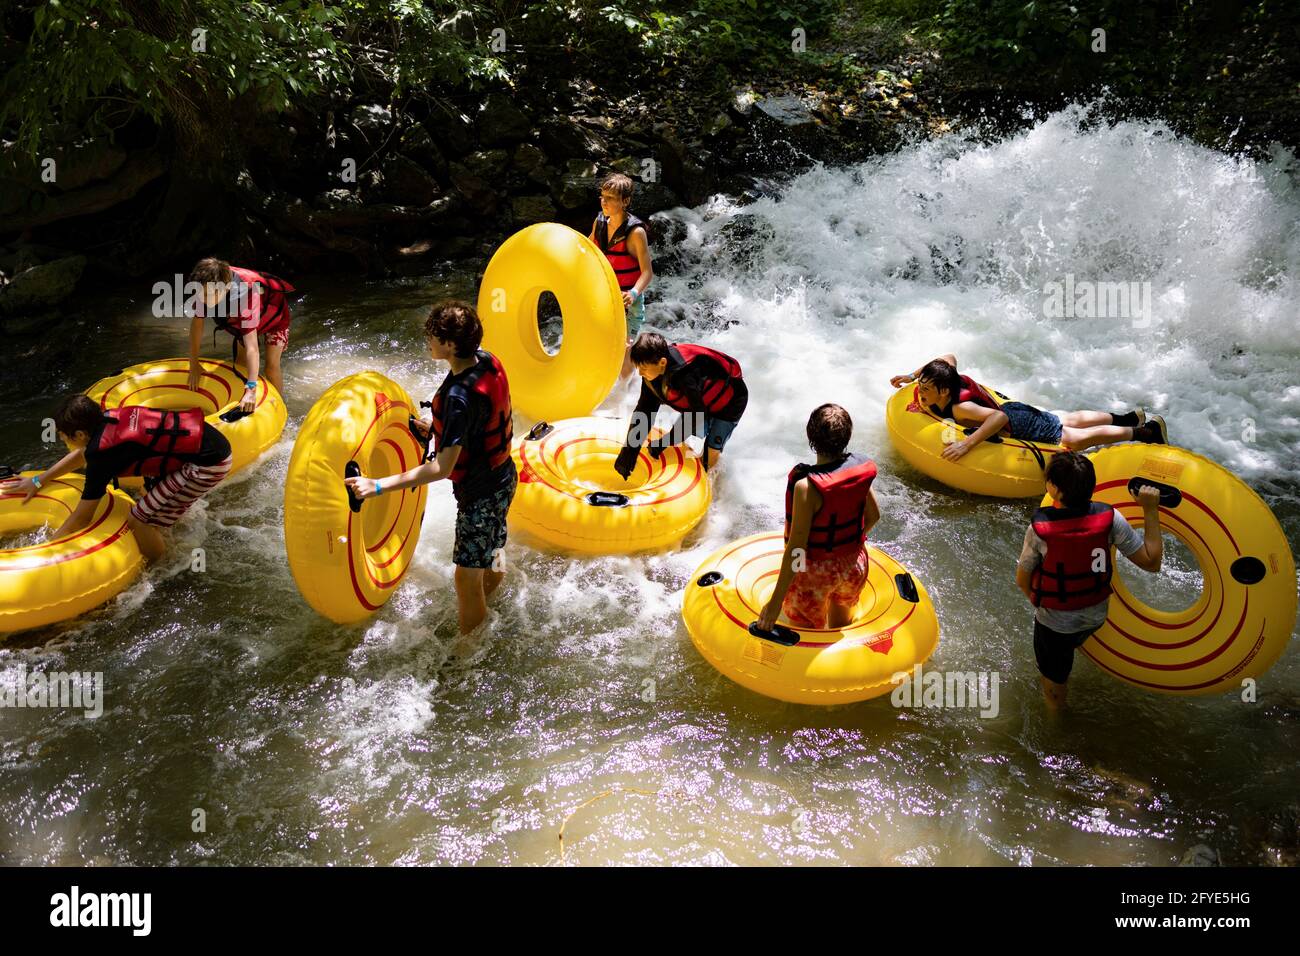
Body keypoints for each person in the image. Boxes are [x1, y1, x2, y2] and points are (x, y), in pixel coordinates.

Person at [345, 301, 516, 637]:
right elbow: (481, 418)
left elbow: (441, 468)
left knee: (465, 579)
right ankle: (495, 602)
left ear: (450, 345)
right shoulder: (487, 360)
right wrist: (438, 428)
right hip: (504, 478)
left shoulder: (457, 398)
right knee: (494, 546)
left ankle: (470, 649)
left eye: (433, 336)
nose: (428, 340)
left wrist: (377, 486)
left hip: (480, 494)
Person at [1015, 451, 1164, 709]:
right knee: (1072, 641)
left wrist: (1037, 600)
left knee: (1054, 686)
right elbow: (1151, 562)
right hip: (1096, 616)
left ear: (1053, 488)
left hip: (1055, 624)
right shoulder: (1110, 519)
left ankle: (1056, 725)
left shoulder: (1040, 529)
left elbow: (1022, 579)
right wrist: (1150, 510)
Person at [7, 394, 232, 561]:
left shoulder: (102, 456)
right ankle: (168, 529)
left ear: (80, 435)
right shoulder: (105, 420)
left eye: (63, 437)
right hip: (206, 445)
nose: (62, 441)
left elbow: (82, 517)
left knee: (137, 520)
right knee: (148, 497)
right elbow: (81, 456)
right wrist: (38, 480)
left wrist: (46, 547)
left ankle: (163, 568)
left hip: (207, 465)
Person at [889, 354, 1167, 460]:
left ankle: (1145, 432)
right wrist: (912, 377)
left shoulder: (960, 408)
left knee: (1072, 438)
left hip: (1017, 422)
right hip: (1016, 409)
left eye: (925, 389)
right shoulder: (946, 374)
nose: (920, 393)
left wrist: (967, 444)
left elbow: (996, 419)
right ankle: (1129, 417)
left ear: (944, 391)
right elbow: (947, 356)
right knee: (1066, 419)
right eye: (921, 386)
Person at [757, 404, 880, 631]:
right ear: (847, 436)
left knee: (807, 634)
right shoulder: (859, 471)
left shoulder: (807, 488)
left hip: (815, 576)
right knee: (838, 629)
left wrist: (774, 604)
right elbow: (874, 516)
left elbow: (796, 549)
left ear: (810, 437)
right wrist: (847, 545)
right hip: (854, 564)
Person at [614, 331, 746, 479]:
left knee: (710, 450)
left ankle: (711, 489)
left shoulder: (685, 375)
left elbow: (696, 416)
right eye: (638, 367)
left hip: (730, 403)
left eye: (643, 368)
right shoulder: (651, 377)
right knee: (692, 432)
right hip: (699, 403)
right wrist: (628, 455)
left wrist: (663, 443)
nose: (640, 373)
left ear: (662, 362)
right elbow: (643, 414)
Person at [187, 257, 296, 409]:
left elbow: (253, 348)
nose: (201, 299)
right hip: (243, 319)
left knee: (271, 367)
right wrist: (194, 363)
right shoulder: (206, 289)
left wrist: (251, 389)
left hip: (274, 320)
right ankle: (240, 400)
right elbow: (197, 325)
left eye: (206, 295)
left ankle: (279, 408)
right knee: (240, 364)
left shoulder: (246, 296)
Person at [589, 173, 653, 381]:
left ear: (625, 201)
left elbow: (647, 272)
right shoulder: (599, 223)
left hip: (628, 301)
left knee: (624, 349)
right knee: (601, 346)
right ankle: (602, 392)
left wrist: (634, 293)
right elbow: (587, 252)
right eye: (602, 196)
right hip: (604, 297)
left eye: (611, 198)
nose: (604, 201)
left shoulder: (635, 233)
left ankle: (622, 399)